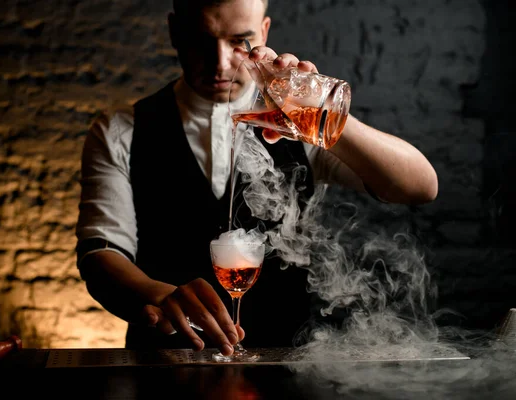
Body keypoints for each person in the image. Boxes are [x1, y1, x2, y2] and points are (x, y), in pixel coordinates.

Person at [75, 0, 438, 358]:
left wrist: (321, 115)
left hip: (288, 367)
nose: (220, 63)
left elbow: (419, 187)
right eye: (202, 41)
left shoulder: (299, 128)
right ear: (174, 32)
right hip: (162, 365)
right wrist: (156, 293)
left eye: (239, 41)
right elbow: (100, 254)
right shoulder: (121, 131)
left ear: (263, 32)